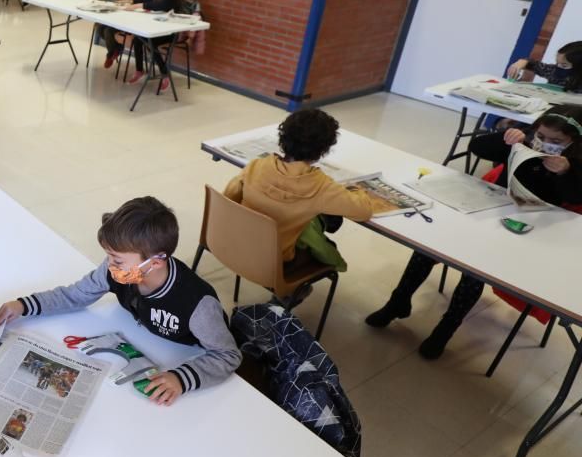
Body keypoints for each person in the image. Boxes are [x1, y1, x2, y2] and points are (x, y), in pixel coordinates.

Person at [367, 106, 582, 360]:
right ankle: (398, 301)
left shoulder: (575, 164)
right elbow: (478, 148)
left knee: (473, 270)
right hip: (490, 211)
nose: (545, 144)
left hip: (529, 230)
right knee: (430, 247)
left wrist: (566, 171)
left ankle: (446, 328)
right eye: (541, 135)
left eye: (556, 141)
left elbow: (574, 196)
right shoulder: (527, 142)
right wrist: (508, 136)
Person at [0, 196, 241, 405]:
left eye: (118, 260)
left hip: (186, 358)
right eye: (109, 257)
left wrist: (181, 378)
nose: (110, 266)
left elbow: (227, 355)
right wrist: (24, 305)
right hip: (147, 344)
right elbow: (76, 295)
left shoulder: (198, 304)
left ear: (155, 262)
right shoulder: (116, 269)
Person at [223, 109, 382, 267]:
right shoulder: (321, 187)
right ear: (323, 150)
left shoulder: (256, 166)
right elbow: (364, 212)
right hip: (273, 263)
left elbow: (228, 199)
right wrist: (358, 190)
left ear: (283, 138)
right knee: (328, 223)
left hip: (235, 244)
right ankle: (293, 290)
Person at [130, 0, 183, 85]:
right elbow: (158, 7)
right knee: (138, 39)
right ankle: (139, 70)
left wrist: (141, 6)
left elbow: (161, 6)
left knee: (147, 40)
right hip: (161, 28)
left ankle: (164, 73)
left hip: (171, 33)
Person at [506, 41, 582, 92]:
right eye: (557, 63)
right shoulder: (553, 70)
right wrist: (521, 62)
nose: (558, 67)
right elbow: (533, 65)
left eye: (564, 65)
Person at [100, 0, 137, 69]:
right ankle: (117, 48)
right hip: (117, 19)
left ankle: (111, 53)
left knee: (108, 31)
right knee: (99, 27)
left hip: (127, 21)